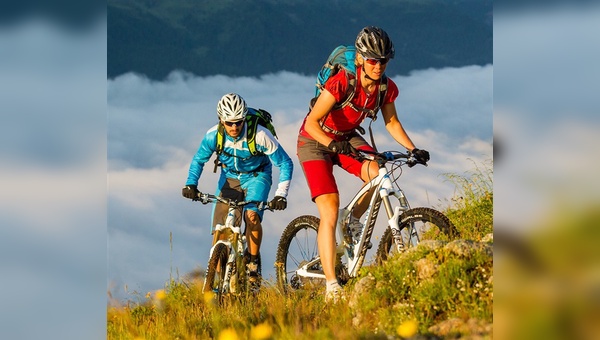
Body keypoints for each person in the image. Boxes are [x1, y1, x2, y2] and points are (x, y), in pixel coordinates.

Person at [296, 26, 430, 302]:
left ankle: (352, 219)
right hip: (314, 141)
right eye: (372, 60)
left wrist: (412, 149)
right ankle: (332, 285)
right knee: (330, 207)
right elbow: (311, 121)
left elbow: (391, 122)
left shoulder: (385, 88)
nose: (378, 66)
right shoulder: (343, 82)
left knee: (379, 172)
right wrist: (331, 145)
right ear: (359, 59)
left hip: (346, 139)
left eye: (383, 61)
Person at [182, 93, 293, 290]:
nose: (234, 127)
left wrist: (280, 195)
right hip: (229, 177)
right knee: (219, 230)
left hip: (257, 176)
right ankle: (219, 284)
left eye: (239, 122)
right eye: (229, 123)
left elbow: (285, 163)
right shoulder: (213, 136)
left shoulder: (259, 135)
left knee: (251, 216)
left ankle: (252, 262)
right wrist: (191, 184)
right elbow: (199, 159)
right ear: (221, 120)